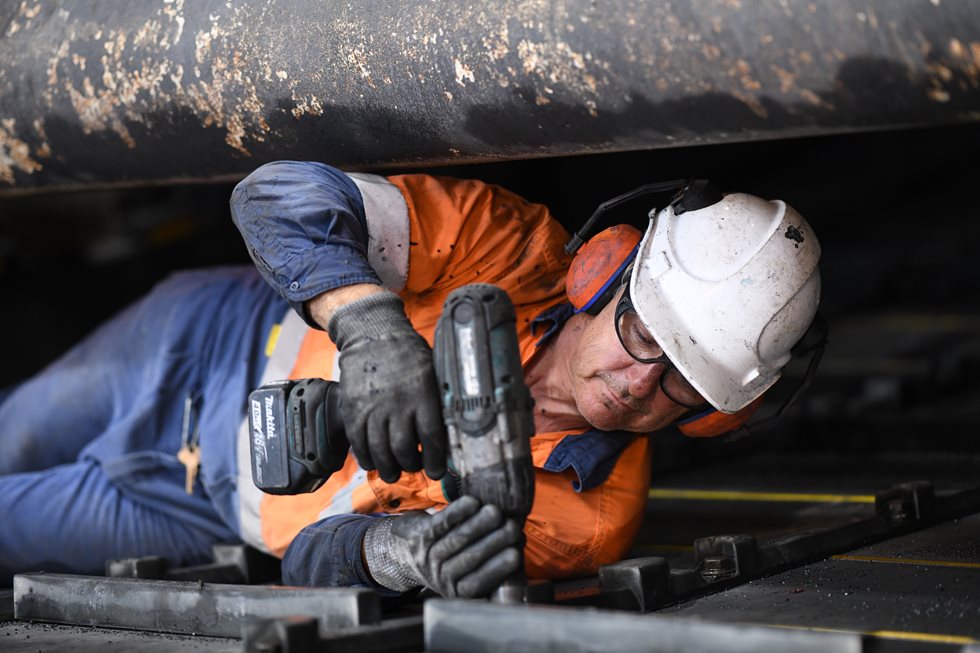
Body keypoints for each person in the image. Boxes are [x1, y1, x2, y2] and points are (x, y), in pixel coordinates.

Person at [0, 161, 821, 598]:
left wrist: (401, 554)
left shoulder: (587, 522)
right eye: (644, 335)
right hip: (192, 342)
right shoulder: (505, 245)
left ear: (714, 416)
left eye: (684, 384)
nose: (643, 384)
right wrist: (368, 326)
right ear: (604, 275)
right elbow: (275, 193)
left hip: (195, 507)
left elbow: (309, 564)